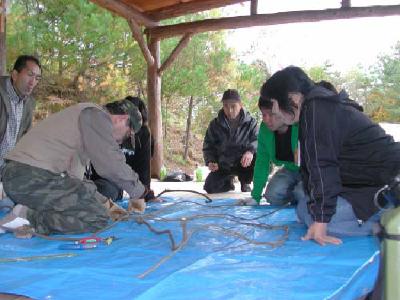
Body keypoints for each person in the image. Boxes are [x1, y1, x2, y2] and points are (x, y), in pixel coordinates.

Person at [259, 66, 400, 246]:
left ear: (292, 97)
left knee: (316, 219)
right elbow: (314, 170)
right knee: (304, 209)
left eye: (274, 105)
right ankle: (377, 219)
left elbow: (322, 166)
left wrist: (321, 220)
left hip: (385, 185)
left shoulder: (317, 108)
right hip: (358, 186)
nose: (274, 112)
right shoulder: (315, 107)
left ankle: (385, 225)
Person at [0, 99, 145, 236]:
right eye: (128, 134)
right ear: (122, 119)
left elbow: (75, 181)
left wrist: (109, 206)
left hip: (21, 179)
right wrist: (139, 192)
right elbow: (111, 164)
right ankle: (28, 217)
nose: (122, 141)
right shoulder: (97, 116)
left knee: (97, 212)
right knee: (96, 218)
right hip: (32, 177)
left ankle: (24, 214)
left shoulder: (84, 126)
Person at [88, 96, 155, 201]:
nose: (129, 134)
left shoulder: (143, 134)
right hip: (90, 178)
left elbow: (143, 168)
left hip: (111, 185)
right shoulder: (99, 125)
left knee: (108, 190)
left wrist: (145, 194)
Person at [0, 55, 41, 201]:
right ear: (15, 74)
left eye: (37, 78)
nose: (33, 82)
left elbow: (25, 141)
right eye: (30, 75)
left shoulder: (29, 103)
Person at [203, 89, 258, 193]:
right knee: (210, 188)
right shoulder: (215, 124)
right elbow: (208, 146)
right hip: (224, 165)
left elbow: (257, 139)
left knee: (259, 157)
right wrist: (211, 161)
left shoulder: (251, 122)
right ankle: (228, 182)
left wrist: (250, 151)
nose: (230, 110)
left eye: (233, 106)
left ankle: (245, 181)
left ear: (240, 105)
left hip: (244, 164)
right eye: (226, 106)